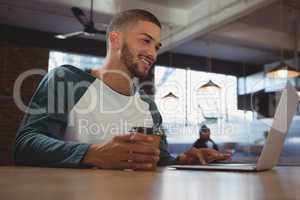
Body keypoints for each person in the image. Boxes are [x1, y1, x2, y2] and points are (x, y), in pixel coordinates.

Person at [14, 9, 227, 170]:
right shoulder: (67, 80)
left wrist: (183, 160)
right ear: (115, 39)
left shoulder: (149, 106)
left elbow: (159, 158)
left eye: (156, 47)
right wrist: (94, 153)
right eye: (146, 41)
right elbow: (26, 145)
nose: (152, 53)